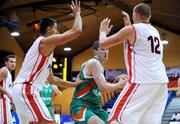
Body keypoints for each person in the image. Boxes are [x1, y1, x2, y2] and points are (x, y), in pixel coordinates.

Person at [11, 0, 83, 123]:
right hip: (26, 89)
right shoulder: (44, 41)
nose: (57, 32)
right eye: (56, 29)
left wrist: (73, 84)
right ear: (49, 30)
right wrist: (77, 14)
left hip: (21, 91)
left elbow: (52, 80)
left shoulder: (45, 52)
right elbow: (76, 31)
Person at [98, 3, 169, 124]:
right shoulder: (155, 31)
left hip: (142, 83)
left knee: (115, 118)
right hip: (161, 85)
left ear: (135, 15)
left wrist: (102, 32)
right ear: (149, 16)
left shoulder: (132, 30)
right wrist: (128, 25)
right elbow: (136, 43)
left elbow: (103, 44)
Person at [70, 41, 127, 124]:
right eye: (102, 49)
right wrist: (119, 84)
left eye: (107, 49)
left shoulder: (95, 66)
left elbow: (101, 86)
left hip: (95, 107)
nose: (105, 52)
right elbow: (103, 88)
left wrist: (115, 83)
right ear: (95, 51)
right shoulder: (94, 63)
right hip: (81, 106)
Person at [0, 54, 16, 124]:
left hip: (6, 102)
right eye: (11, 62)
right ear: (6, 62)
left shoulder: (9, 74)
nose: (13, 64)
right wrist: (8, 94)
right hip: (2, 100)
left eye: (15, 62)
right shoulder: (4, 70)